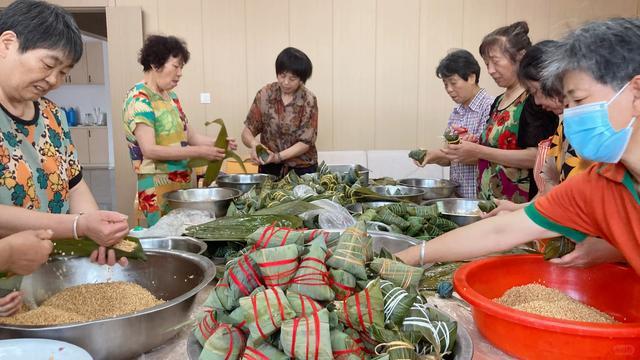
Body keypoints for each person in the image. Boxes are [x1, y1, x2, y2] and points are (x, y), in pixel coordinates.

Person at [395, 18, 640, 276]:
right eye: (566, 104)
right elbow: (501, 230)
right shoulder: (599, 184)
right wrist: (409, 256)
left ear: (636, 93)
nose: (570, 117)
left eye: (579, 100)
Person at [0, 0, 129, 315]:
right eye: (48, 65)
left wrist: (98, 234)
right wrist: (79, 226)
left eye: (64, 72)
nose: (54, 80)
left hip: (47, 280)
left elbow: (73, 183)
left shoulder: (53, 116)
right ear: (7, 44)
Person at [483, 40, 623, 267]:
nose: (537, 102)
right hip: (579, 254)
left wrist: (612, 251)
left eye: (537, 92)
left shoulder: (608, 138)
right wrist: (518, 209)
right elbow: (555, 196)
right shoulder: (564, 130)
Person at [123, 35, 235, 226]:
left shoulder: (171, 97)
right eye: (176, 66)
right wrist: (199, 152)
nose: (180, 73)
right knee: (167, 239)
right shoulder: (139, 99)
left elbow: (190, 136)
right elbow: (150, 149)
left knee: (184, 233)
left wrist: (218, 144)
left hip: (181, 182)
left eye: (182, 67)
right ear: (155, 63)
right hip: (156, 186)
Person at [443, 22, 558, 203]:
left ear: (520, 57)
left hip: (518, 204)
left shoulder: (536, 100)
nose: (490, 71)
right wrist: (472, 141)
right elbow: (494, 147)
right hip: (489, 202)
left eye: (495, 62)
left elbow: (538, 157)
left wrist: (480, 151)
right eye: (487, 64)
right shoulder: (498, 101)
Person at [414, 49, 494, 199]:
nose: (449, 90)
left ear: (471, 77)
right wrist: (430, 156)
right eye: (445, 84)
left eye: (453, 83)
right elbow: (449, 159)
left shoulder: (491, 107)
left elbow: (486, 156)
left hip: (481, 198)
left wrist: (437, 153)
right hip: (459, 196)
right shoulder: (457, 112)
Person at [241, 47, 318, 178]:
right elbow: (247, 132)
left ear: (301, 79)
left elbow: (305, 143)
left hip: (301, 170)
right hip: (269, 167)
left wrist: (277, 157)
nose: (286, 82)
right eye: (282, 76)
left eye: (292, 79)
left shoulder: (308, 100)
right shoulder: (265, 94)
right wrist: (256, 146)